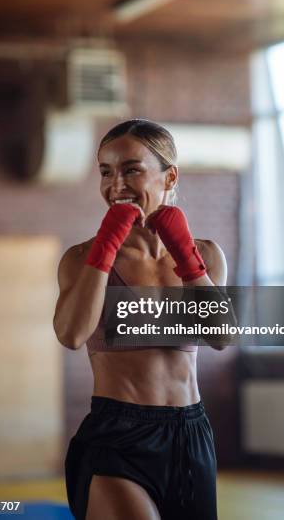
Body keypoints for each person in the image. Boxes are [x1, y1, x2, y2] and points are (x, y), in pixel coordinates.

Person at [53, 119, 227, 520]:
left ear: (170, 176)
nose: (117, 185)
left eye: (131, 169)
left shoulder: (208, 254)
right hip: (118, 437)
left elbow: (221, 335)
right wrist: (106, 246)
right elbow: (71, 334)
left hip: (191, 434)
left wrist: (185, 255)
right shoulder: (80, 258)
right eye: (106, 172)